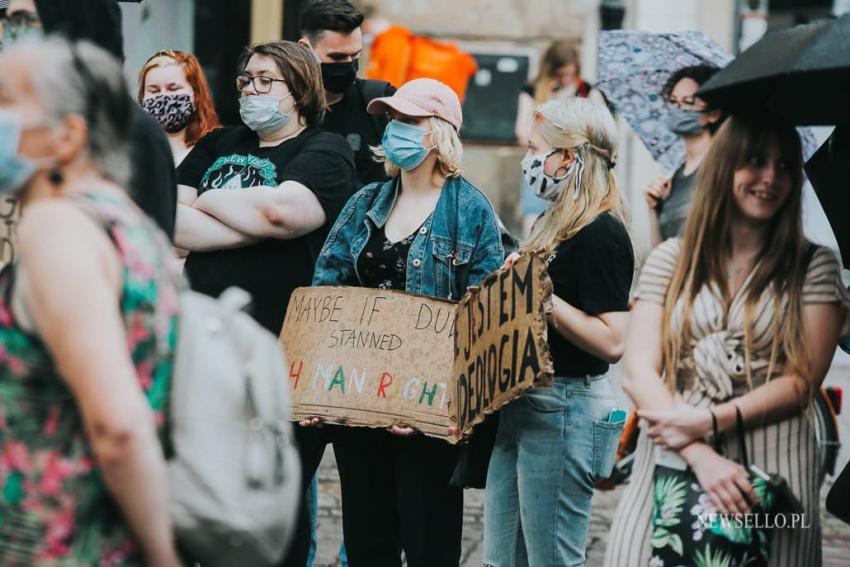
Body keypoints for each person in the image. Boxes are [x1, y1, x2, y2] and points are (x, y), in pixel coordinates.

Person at [605, 113, 850, 567]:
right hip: (674, 443)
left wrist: (710, 422)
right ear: (724, 168)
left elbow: (801, 381)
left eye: (784, 166)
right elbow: (639, 370)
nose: (770, 178)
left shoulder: (813, 265)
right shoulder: (671, 258)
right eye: (755, 161)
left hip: (774, 457)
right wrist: (699, 452)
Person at [0, 37, 182, 566]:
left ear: (68, 136)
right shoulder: (125, 219)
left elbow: (118, 426)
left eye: (7, 100)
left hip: (56, 543)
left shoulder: (55, 226)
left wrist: (162, 555)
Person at [312, 77, 504, 567]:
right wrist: (314, 386)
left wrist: (435, 407)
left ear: (439, 132)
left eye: (409, 120)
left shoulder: (471, 211)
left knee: (429, 542)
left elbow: (482, 318)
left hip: (426, 413)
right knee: (366, 537)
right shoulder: (365, 202)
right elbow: (326, 291)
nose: (395, 128)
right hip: (359, 400)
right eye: (392, 119)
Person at [483, 97, 633, 567]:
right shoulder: (556, 222)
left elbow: (612, 341)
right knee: (503, 557)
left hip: (565, 407)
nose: (529, 161)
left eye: (535, 149)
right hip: (525, 401)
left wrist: (542, 298)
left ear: (567, 157)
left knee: (552, 558)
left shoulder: (601, 233)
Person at [5, 0, 179, 240]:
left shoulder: (133, 133)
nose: (11, 35)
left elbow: (138, 261)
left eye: (22, 21)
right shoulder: (42, 127)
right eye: (8, 22)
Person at [299, 0, 395, 186]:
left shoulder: (381, 101)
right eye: (337, 57)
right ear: (305, 50)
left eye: (355, 55)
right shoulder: (284, 108)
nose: (349, 65)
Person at [515, 40, 596, 238]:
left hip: (575, 167)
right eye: (561, 75)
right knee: (534, 216)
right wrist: (546, 102)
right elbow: (522, 133)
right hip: (542, 162)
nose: (567, 80)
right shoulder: (533, 89)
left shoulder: (585, 90)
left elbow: (595, 131)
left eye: (571, 74)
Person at [644, 64, 722, 247]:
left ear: (713, 113)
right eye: (673, 102)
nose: (678, 109)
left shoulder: (721, 170)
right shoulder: (675, 176)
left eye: (688, 103)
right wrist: (654, 210)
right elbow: (660, 252)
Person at [138, 49, 220, 167]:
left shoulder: (215, 152)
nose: (163, 96)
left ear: (196, 95)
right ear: (142, 97)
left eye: (173, 89)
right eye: (154, 90)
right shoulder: (132, 152)